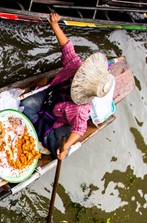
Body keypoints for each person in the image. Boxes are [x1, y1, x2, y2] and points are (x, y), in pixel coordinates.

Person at [21, 11, 115, 160]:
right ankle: (36, 127)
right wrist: (54, 25)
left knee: (57, 148)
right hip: (50, 98)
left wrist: (64, 147)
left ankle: (41, 133)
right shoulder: (75, 66)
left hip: (58, 120)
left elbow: (80, 128)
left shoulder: (80, 110)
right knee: (25, 104)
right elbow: (67, 48)